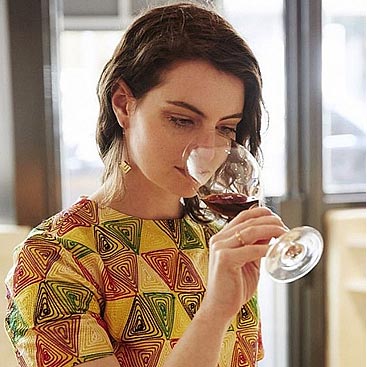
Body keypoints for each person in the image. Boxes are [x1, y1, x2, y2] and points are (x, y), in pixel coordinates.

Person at [5, 2, 287, 367]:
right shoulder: (54, 259)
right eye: (182, 120)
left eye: (225, 128)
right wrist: (215, 311)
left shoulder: (217, 244)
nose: (208, 149)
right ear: (123, 104)